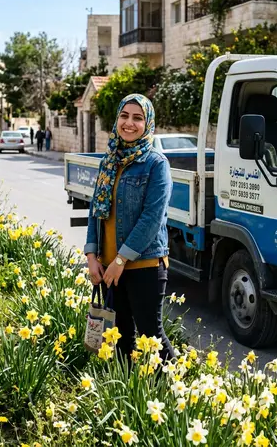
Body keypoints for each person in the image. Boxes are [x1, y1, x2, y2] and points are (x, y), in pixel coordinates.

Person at [84, 93, 175, 364]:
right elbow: (95, 211)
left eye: (138, 118)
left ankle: (174, 391)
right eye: (124, 116)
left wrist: (121, 260)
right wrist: (92, 257)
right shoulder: (109, 161)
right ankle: (128, 398)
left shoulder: (156, 164)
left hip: (143, 264)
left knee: (151, 335)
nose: (129, 123)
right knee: (120, 336)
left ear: (147, 124)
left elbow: (152, 218)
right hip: (109, 265)